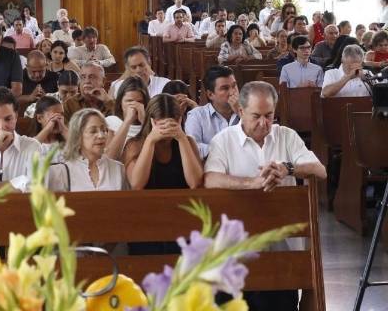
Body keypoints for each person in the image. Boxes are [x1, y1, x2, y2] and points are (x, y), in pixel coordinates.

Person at [204, 81, 326, 311]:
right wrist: (253, 183)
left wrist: (287, 168)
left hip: (282, 246)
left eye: (269, 115)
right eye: (256, 116)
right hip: (238, 247)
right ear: (240, 111)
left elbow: (320, 170)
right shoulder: (223, 140)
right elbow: (211, 179)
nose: (264, 123)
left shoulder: (286, 136)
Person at [124, 93, 203, 190]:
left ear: (179, 121)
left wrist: (182, 139)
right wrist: (150, 141)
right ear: (151, 122)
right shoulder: (135, 145)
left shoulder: (188, 142)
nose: (166, 131)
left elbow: (195, 183)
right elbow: (136, 185)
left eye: (171, 125)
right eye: (162, 126)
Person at [47, 109, 126, 192]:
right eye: (93, 131)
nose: (101, 135)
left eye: (104, 130)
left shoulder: (119, 169)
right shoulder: (60, 172)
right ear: (78, 135)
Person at [184, 66, 240, 157]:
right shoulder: (197, 116)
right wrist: (226, 151)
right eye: (225, 88)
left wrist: (241, 113)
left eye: (234, 86)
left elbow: (259, 142)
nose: (232, 92)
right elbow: (193, 147)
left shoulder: (249, 113)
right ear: (210, 95)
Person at [105, 77, 149, 160]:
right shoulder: (112, 121)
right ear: (121, 102)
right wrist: (128, 121)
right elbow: (109, 158)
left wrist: (145, 121)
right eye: (129, 101)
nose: (134, 105)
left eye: (139, 102)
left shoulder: (152, 123)